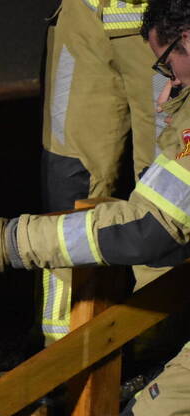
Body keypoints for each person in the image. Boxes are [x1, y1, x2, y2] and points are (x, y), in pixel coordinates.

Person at [0, 0, 190, 416]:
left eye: (169, 73)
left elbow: (150, 228)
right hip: (96, 18)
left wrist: (12, 243)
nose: (163, 95)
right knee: (76, 185)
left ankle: (147, 341)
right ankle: (63, 365)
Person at [40, 0, 164, 344]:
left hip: (164, 17)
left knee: (165, 190)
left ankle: (159, 352)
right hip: (82, 16)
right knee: (68, 182)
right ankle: (60, 348)